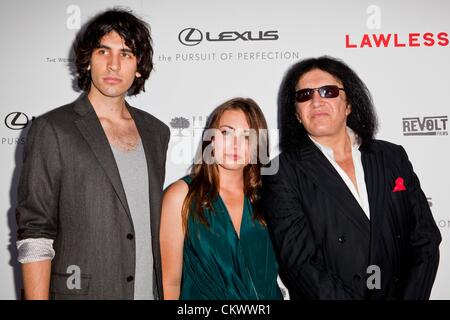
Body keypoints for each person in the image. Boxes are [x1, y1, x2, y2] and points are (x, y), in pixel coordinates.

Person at [15, 8, 170, 300]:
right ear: (88, 60)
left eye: (126, 53)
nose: (113, 65)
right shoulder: (53, 129)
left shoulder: (157, 132)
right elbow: (35, 230)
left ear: (139, 66)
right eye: (103, 51)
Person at [262, 56, 441, 300]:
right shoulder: (282, 172)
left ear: (349, 105)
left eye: (329, 91)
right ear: (296, 114)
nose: (316, 101)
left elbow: (425, 239)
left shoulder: (391, 157)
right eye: (304, 95)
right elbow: (299, 264)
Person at [160, 98, 282, 299]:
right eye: (226, 132)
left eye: (247, 137)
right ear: (211, 139)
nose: (235, 145)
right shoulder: (181, 195)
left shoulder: (269, 196)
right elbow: (170, 282)